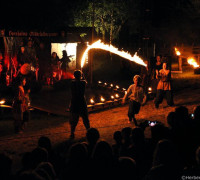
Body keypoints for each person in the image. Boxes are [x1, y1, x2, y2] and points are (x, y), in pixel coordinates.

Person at [69, 70, 90, 139]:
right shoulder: (83, 83)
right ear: (80, 76)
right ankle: (89, 132)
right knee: (85, 118)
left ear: (74, 76)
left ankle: (72, 133)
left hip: (75, 102)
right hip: (81, 102)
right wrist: (82, 75)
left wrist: (79, 76)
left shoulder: (72, 83)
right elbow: (85, 81)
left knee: (74, 119)